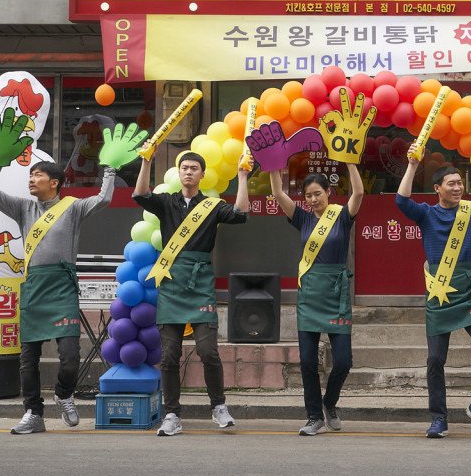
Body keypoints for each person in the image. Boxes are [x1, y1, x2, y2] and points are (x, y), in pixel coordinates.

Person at [0, 108, 147, 435]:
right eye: (30, 176)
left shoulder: (72, 207)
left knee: (70, 355)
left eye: (36, 176)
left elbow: (103, 198)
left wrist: (110, 166)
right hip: (32, 289)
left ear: (53, 182)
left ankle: (64, 394)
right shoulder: (23, 207)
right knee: (28, 358)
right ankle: (33, 413)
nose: (31, 180)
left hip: (61, 288)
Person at [396, 146, 471, 438]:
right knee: (436, 360)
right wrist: (412, 165)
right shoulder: (426, 215)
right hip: (440, 293)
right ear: (437, 189)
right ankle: (439, 418)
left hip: (468, 291)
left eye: (460, 183)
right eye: (452, 184)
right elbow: (401, 200)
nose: (458, 187)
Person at [134, 148, 249, 436]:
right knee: (170, 354)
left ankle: (219, 407)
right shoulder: (166, 202)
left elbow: (242, 213)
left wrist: (243, 177)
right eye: (184, 167)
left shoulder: (211, 205)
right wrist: (146, 160)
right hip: (171, 281)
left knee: (208, 350)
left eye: (194, 168)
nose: (188, 171)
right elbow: (139, 194)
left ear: (202, 174)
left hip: (199, 283)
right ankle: (171, 414)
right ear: (178, 172)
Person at [270, 164, 363, 436]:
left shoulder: (342, 217)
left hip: (335, 292)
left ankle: (329, 403)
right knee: (308, 361)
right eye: (308, 195)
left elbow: (358, 192)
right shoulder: (302, 218)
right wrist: (272, 164)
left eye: (317, 193)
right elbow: (278, 192)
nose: (312, 199)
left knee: (343, 361)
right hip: (310, 293)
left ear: (328, 193)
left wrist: (350, 162)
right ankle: (314, 417)